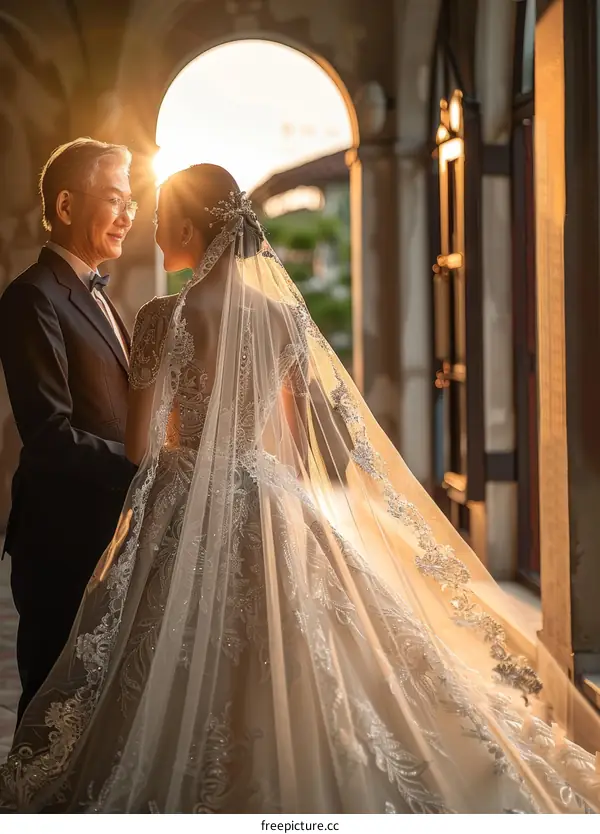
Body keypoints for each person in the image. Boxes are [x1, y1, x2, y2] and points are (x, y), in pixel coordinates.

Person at [1, 163, 600, 813]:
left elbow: (144, 446)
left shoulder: (161, 317)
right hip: (265, 491)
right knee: (284, 641)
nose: (148, 230)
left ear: (183, 225)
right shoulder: (282, 317)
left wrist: (191, 448)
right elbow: (288, 433)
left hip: (181, 500)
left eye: (155, 220)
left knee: (168, 650)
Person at [0, 138, 138, 724]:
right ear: (64, 205)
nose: (129, 215)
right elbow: (49, 435)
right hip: (60, 537)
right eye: (114, 199)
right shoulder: (32, 296)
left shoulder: (107, 297)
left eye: (132, 201)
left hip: (108, 533)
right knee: (48, 702)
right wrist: (143, 464)